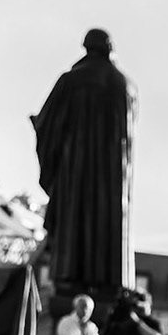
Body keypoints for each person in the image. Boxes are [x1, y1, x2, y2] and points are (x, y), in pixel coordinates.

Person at [31, 28, 136, 293]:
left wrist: (39, 127)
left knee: (75, 218)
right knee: (106, 222)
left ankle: (70, 276)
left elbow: (49, 124)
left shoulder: (71, 81)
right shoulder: (125, 85)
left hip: (76, 169)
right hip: (113, 178)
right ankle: (108, 281)